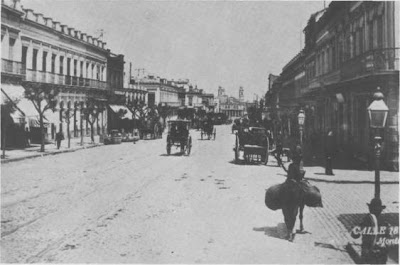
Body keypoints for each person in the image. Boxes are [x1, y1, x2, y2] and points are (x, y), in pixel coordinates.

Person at [351, 198, 389, 264]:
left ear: (370, 209)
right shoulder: (384, 221)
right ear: (380, 210)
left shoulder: (367, 219)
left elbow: (355, 235)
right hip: (381, 253)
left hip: (369, 252)